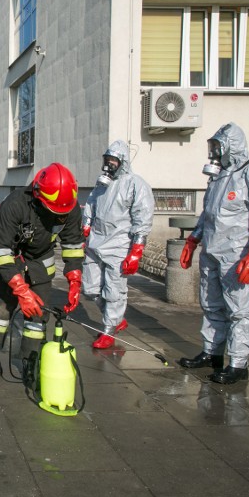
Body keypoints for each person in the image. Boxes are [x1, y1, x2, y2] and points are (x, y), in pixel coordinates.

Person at [178, 123, 249, 384]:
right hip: (212, 251)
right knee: (211, 305)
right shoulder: (218, 177)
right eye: (212, 146)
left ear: (231, 147)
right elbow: (208, 213)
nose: (213, 152)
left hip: (236, 256)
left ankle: (238, 363)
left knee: (239, 310)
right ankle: (212, 352)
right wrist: (193, 239)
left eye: (217, 147)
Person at [0, 163, 85, 385]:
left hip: (41, 263)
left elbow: (73, 244)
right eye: (53, 211)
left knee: (38, 316)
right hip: (11, 261)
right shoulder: (15, 204)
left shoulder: (69, 206)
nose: (58, 216)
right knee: (0, 309)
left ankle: (31, 359)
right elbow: (0, 251)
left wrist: (75, 279)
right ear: (38, 196)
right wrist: (20, 290)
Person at [81, 140, 154, 349]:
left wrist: (136, 251)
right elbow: (91, 204)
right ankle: (115, 319)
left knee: (114, 291)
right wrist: (86, 226)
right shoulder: (102, 183)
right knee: (91, 288)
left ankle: (109, 329)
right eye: (107, 159)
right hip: (96, 242)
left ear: (122, 162)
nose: (109, 164)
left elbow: (143, 217)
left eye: (113, 160)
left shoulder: (135, 184)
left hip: (119, 245)